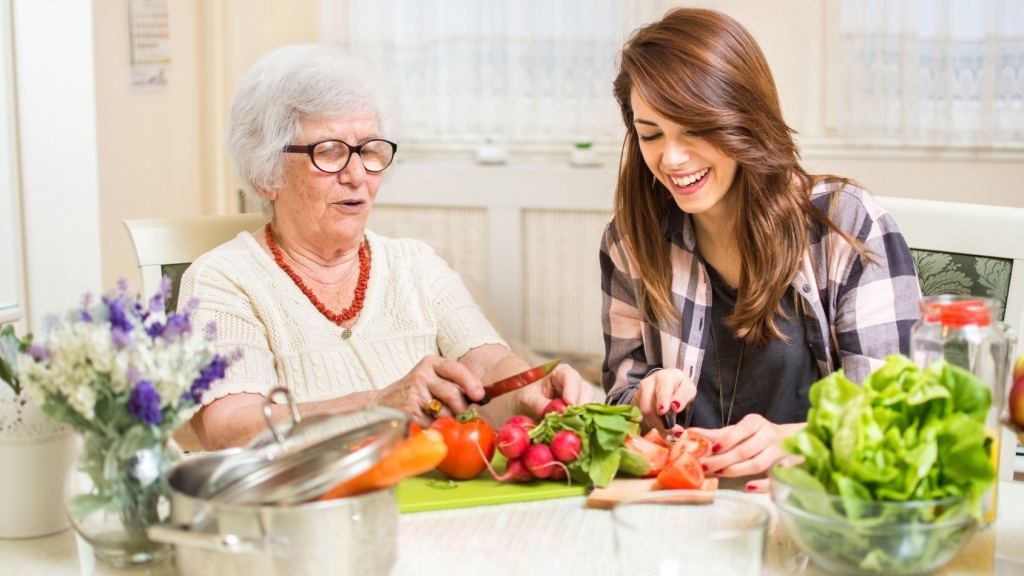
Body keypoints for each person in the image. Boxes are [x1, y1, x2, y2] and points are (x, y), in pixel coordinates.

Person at [178, 44, 591, 450]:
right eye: (330, 152)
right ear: (265, 173)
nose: (357, 175)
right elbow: (229, 427)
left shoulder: (417, 264)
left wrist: (527, 392)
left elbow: (486, 362)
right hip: (312, 509)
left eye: (370, 150)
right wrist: (374, 406)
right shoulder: (223, 280)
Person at [600, 8, 920, 490]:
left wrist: (799, 443)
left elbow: (897, 417)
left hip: (815, 510)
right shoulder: (630, 241)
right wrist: (644, 398)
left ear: (742, 118)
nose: (671, 158)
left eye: (693, 128)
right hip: (684, 511)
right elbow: (620, 397)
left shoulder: (845, 224)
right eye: (651, 134)